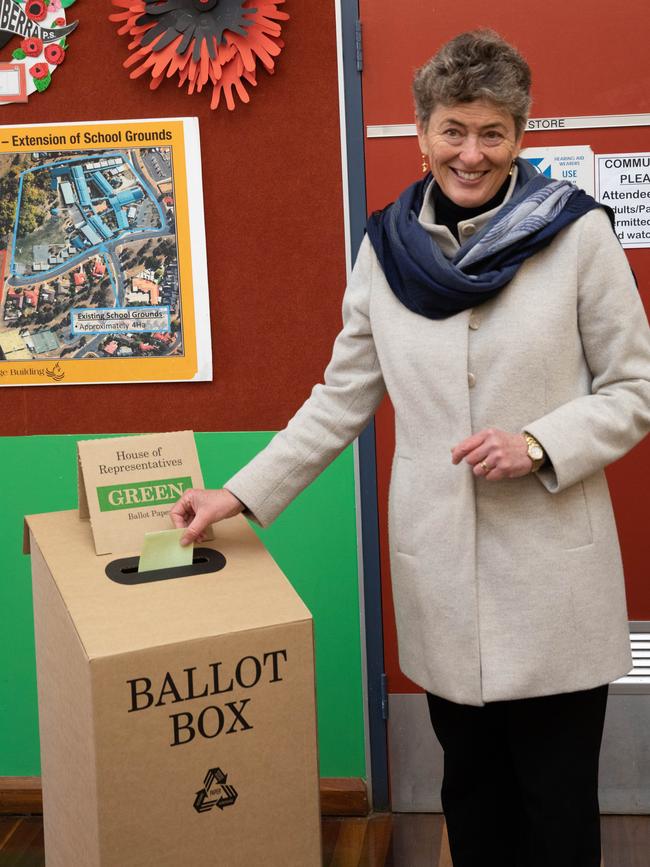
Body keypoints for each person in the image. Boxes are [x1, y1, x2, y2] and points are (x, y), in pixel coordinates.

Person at [170, 30, 650, 867]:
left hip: (552, 577)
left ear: (519, 136)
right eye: (454, 129)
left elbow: (633, 388)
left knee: (557, 797)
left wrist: (539, 442)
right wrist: (238, 495)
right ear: (422, 131)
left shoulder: (578, 237)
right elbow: (341, 396)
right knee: (470, 789)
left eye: (493, 132)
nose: (471, 152)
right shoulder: (383, 248)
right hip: (442, 577)